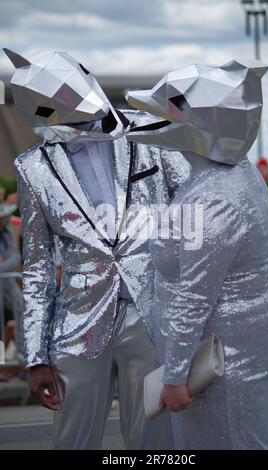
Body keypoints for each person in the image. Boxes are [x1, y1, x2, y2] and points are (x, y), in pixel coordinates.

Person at [4, 48, 190, 449]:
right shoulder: (33, 167)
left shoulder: (149, 131)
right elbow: (37, 267)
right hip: (78, 322)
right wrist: (34, 355)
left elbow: (197, 213)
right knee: (74, 440)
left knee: (154, 439)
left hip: (152, 311)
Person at [126, 59, 268, 449]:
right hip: (229, 341)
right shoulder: (227, 177)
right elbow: (240, 257)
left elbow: (194, 294)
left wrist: (176, 376)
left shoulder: (214, 196)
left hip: (220, 356)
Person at [0, 203, 23, 370]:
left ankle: (24, 359)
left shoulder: (8, 235)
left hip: (8, 286)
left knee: (22, 313)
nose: (7, 220)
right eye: (4, 217)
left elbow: (16, 258)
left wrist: (2, 266)